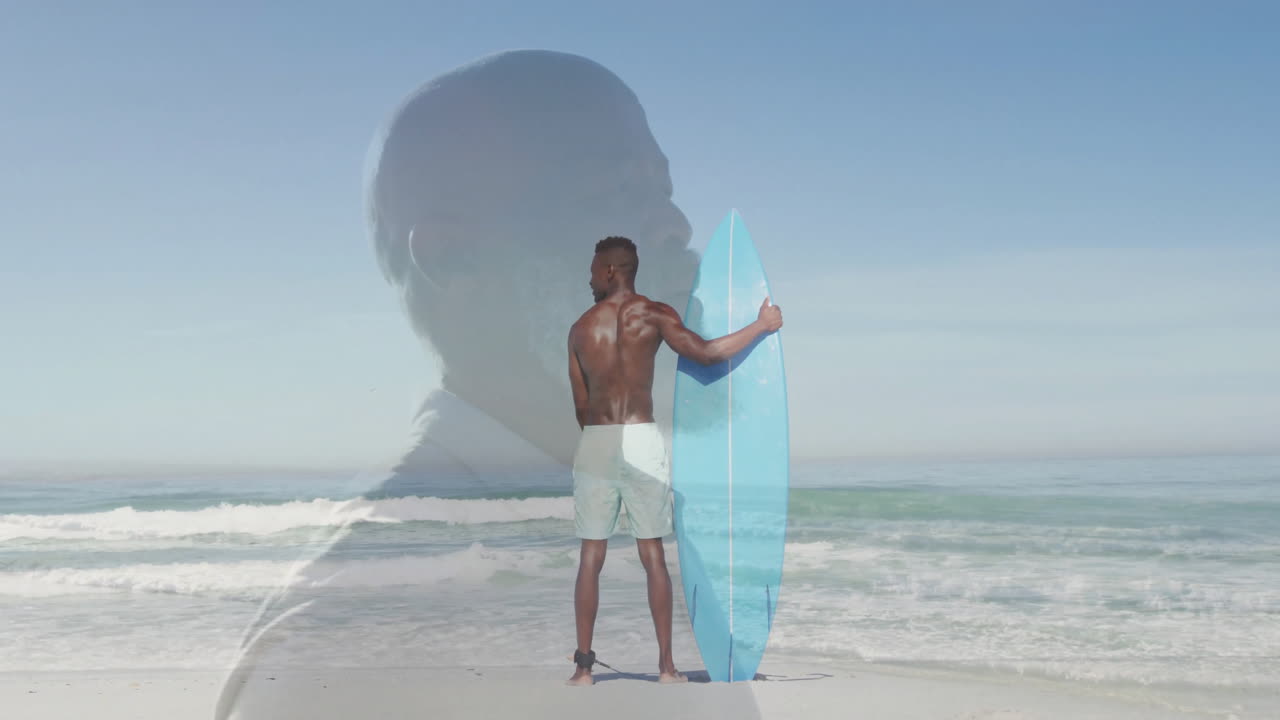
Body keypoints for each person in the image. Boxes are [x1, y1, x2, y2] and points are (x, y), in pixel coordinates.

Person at [213, 50, 716, 719]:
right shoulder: (356, 654)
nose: (673, 224)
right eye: (614, 195)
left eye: (663, 190)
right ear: (455, 258)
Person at [565, 236, 783, 686]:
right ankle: (666, 668)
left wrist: (603, 440)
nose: (588, 278)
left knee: (591, 556)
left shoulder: (581, 329)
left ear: (610, 270)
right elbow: (706, 354)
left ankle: (583, 671)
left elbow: (580, 408)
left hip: (596, 441)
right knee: (652, 554)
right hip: (642, 438)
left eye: (592, 269)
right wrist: (761, 326)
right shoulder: (655, 314)